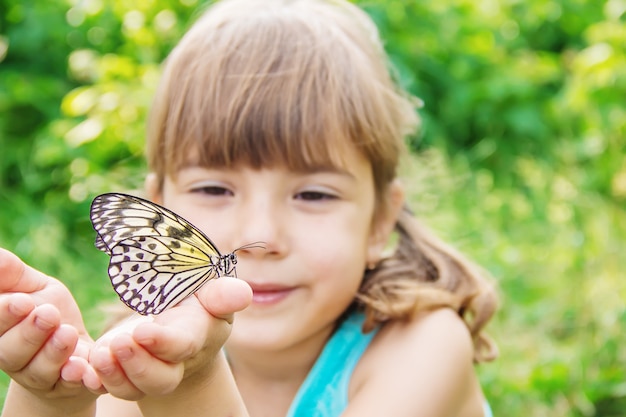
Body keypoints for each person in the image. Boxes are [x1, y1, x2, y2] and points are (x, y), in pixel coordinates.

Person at [0, 0, 499, 416]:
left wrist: (193, 384)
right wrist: (54, 396)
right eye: (214, 190)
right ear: (158, 208)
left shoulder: (424, 347)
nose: (261, 235)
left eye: (313, 195)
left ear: (379, 221)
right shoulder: (137, 353)